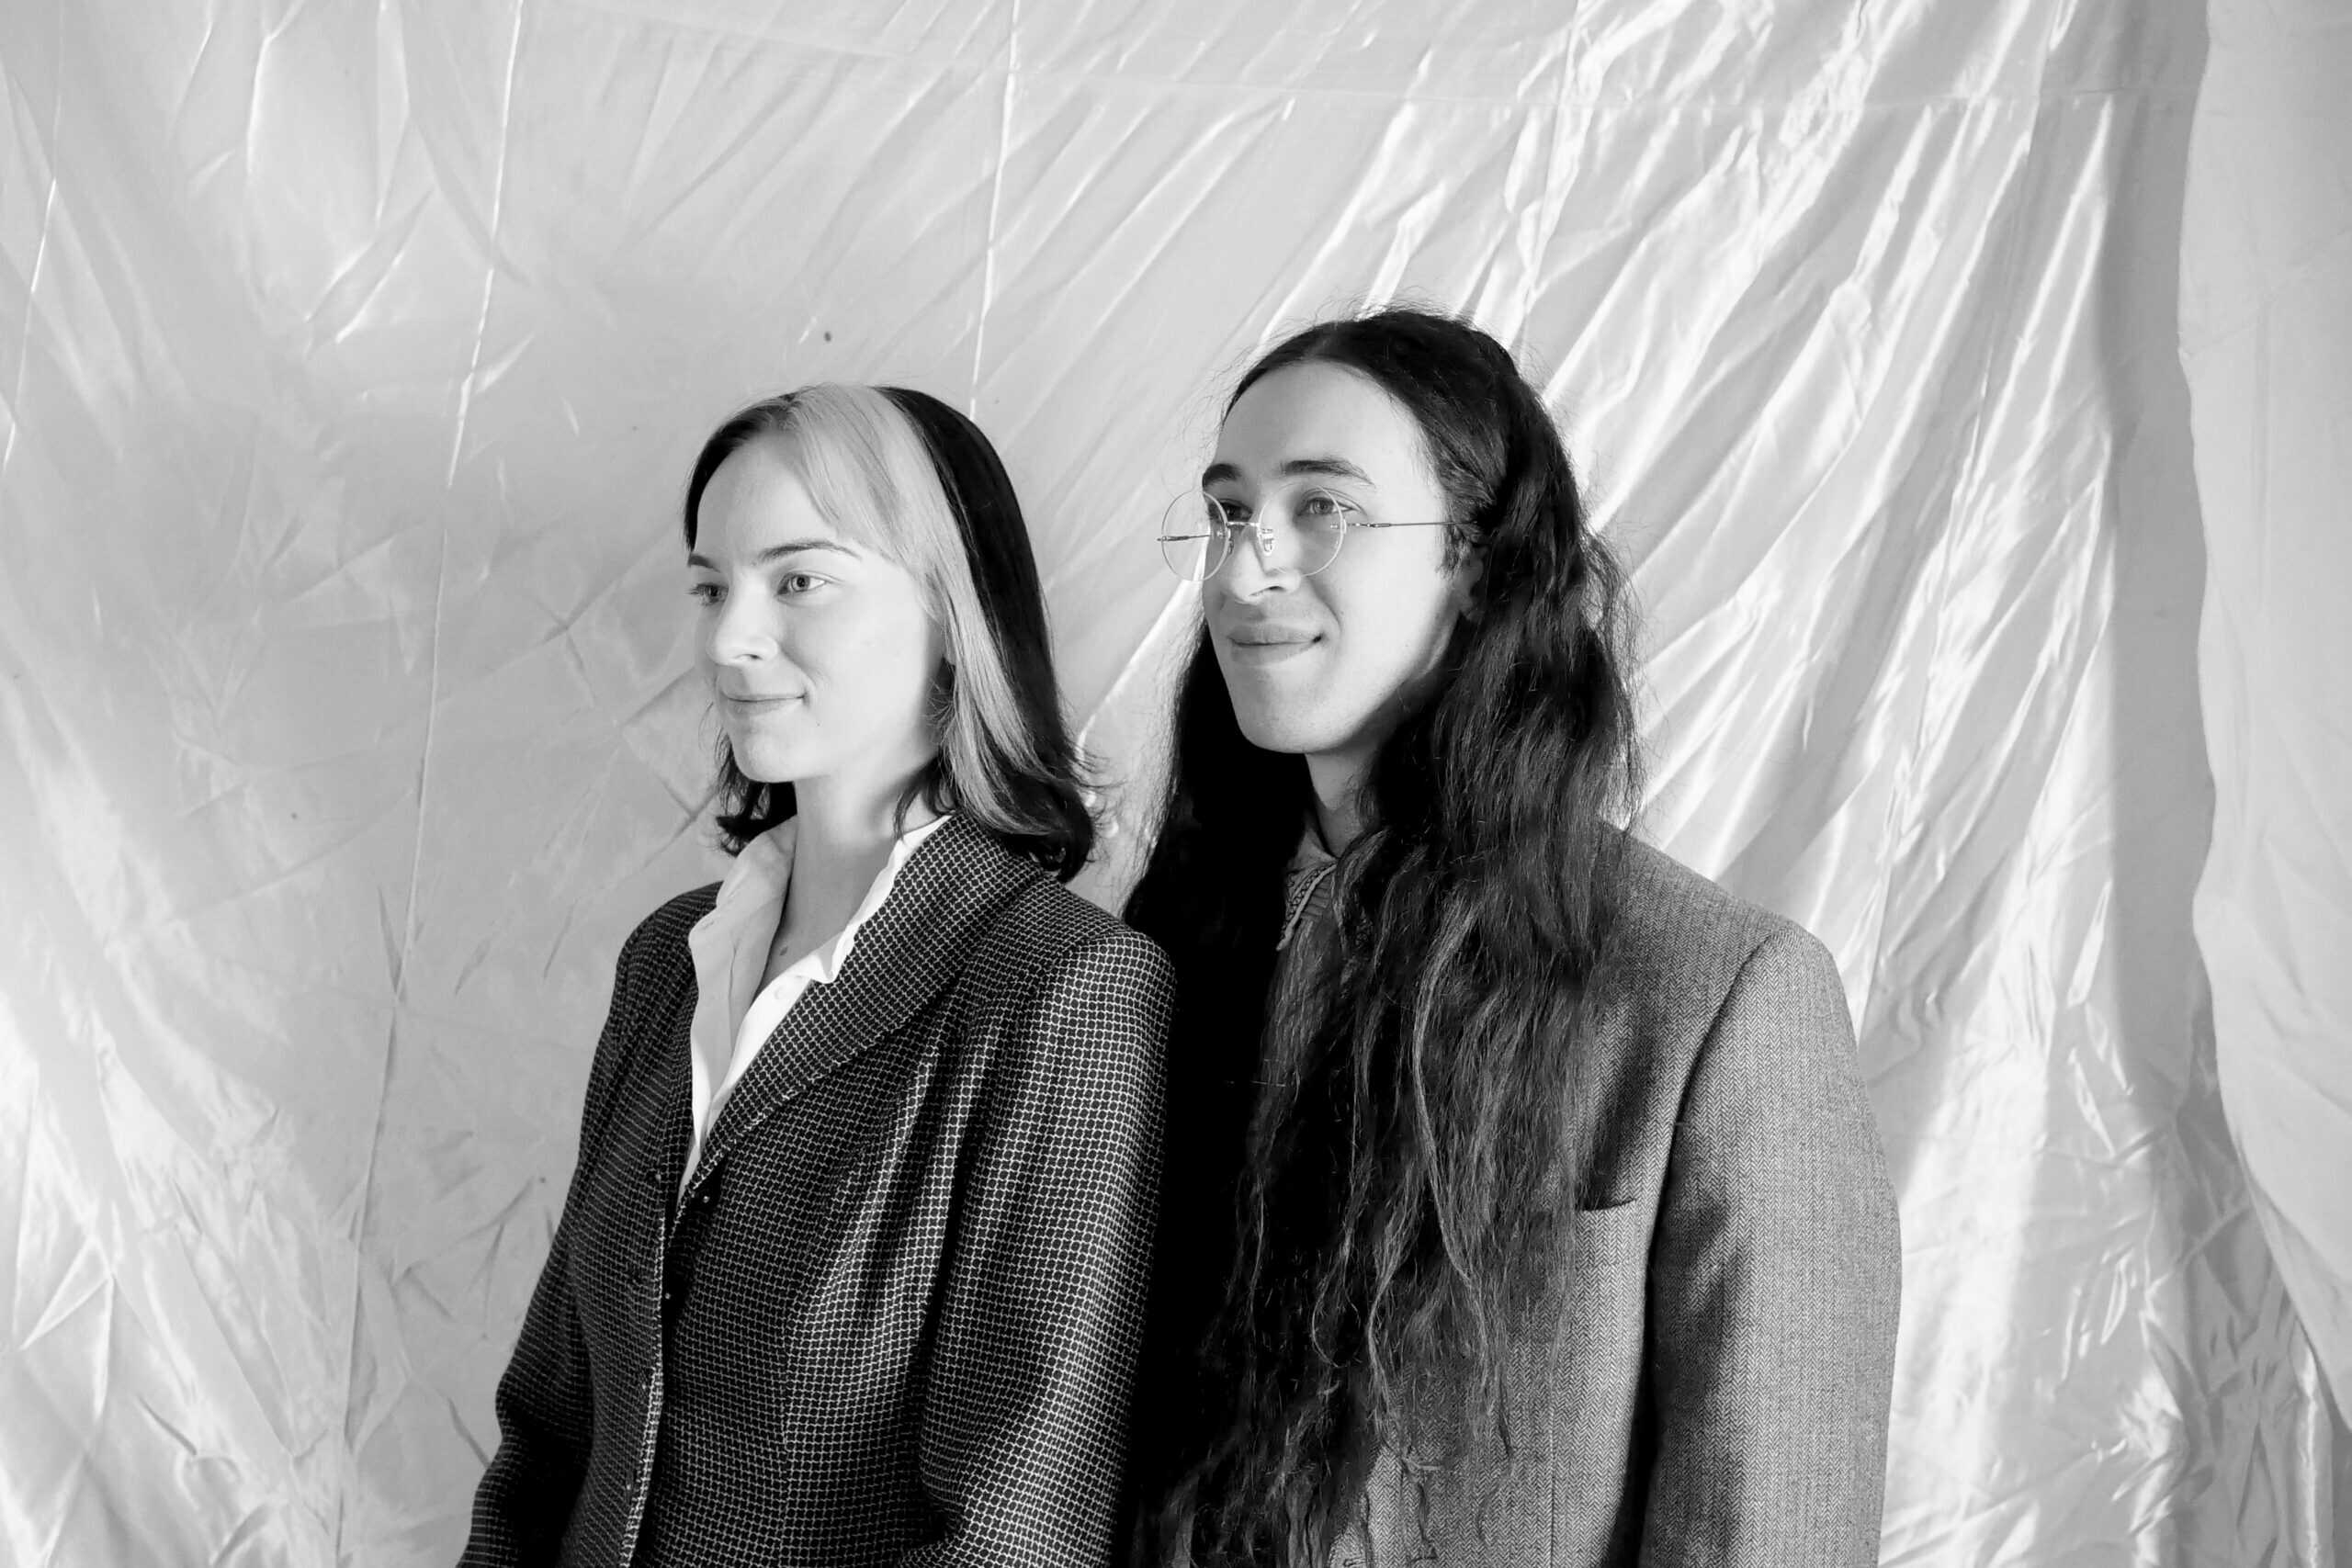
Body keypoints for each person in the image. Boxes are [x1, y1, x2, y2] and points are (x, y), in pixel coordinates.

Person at [1124, 308, 1902, 1566]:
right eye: (1227, 511)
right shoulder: (1162, 955)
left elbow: (1769, 1532)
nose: (1241, 571)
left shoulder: (1716, 998)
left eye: (1323, 508)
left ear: (1482, 565)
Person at [463, 384, 1173, 1566]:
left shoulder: (1061, 991)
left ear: (953, 611)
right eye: (710, 587)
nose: (727, 640)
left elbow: (1012, 1529)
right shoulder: (669, 962)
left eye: (798, 580)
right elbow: (549, 1428)